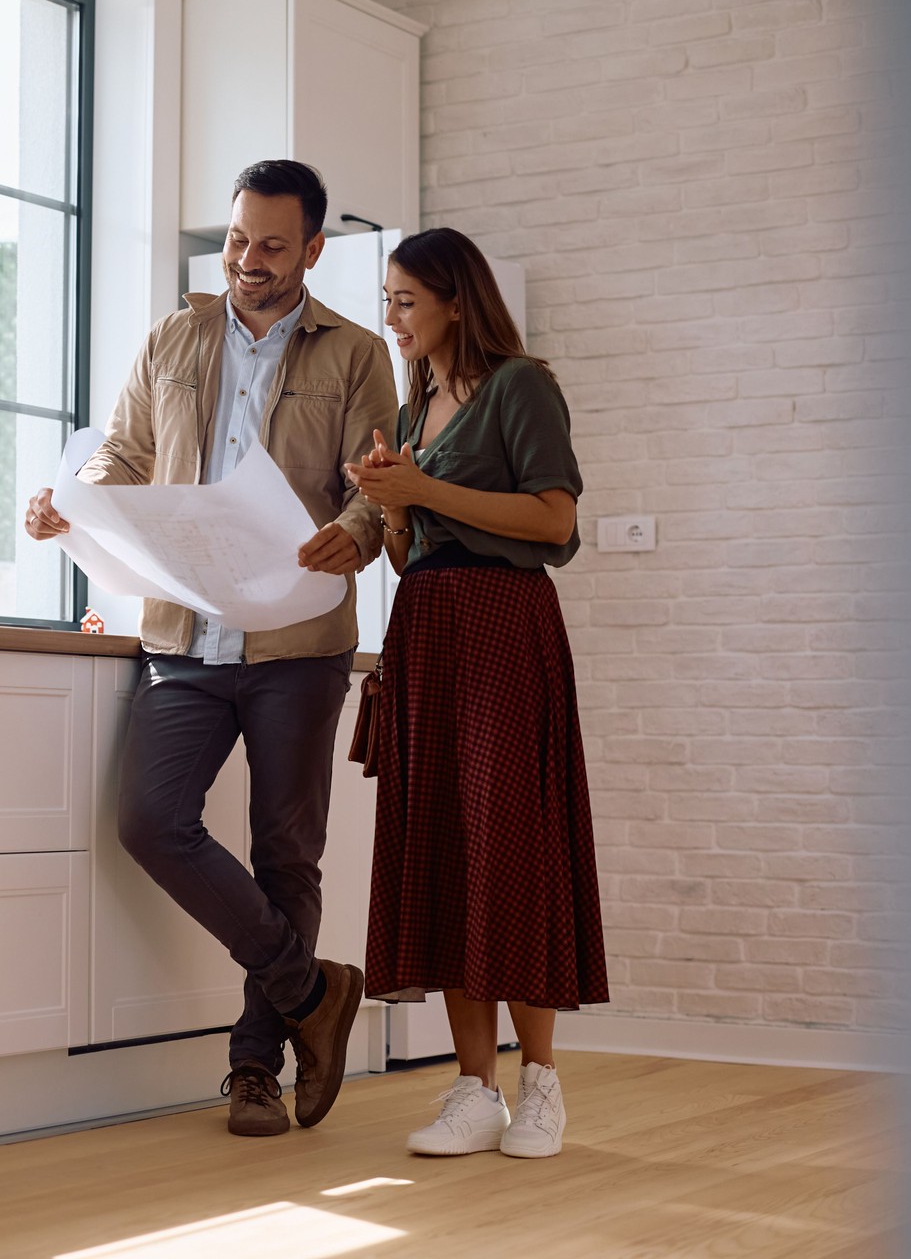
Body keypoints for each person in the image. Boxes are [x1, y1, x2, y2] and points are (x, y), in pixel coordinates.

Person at [23, 160, 395, 1138]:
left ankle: (254, 1068)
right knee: (152, 819)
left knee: (286, 850)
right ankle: (314, 990)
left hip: (299, 636)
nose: (249, 260)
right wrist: (72, 500)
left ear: (314, 250)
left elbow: (380, 485)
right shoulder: (175, 338)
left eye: (273, 245)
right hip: (183, 632)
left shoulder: (356, 354)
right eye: (238, 240)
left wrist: (354, 532)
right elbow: (123, 455)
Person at [343, 226, 607, 1161]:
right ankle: (473, 1091)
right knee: (447, 847)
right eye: (387, 299)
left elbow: (556, 520)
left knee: (511, 846)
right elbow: (415, 555)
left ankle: (539, 1085)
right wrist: (397, 503)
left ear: (458, 300)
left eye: (406, 300)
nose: (393, 317)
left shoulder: (519, 386)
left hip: (504, 635)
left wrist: (426, 490)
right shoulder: (414, 411)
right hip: (429, 639)